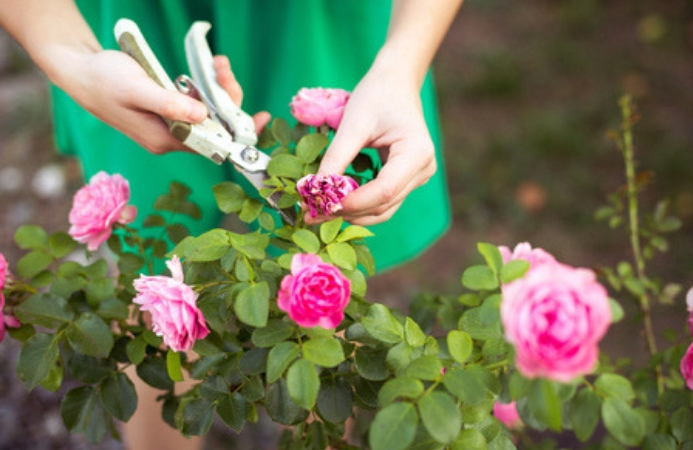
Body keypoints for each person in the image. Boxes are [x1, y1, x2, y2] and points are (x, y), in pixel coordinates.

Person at [0, 0, 462, 448]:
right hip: (143, 8)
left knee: (321, 303)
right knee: (154, 294)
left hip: (314, 18)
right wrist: (74, 60)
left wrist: (401, 65)